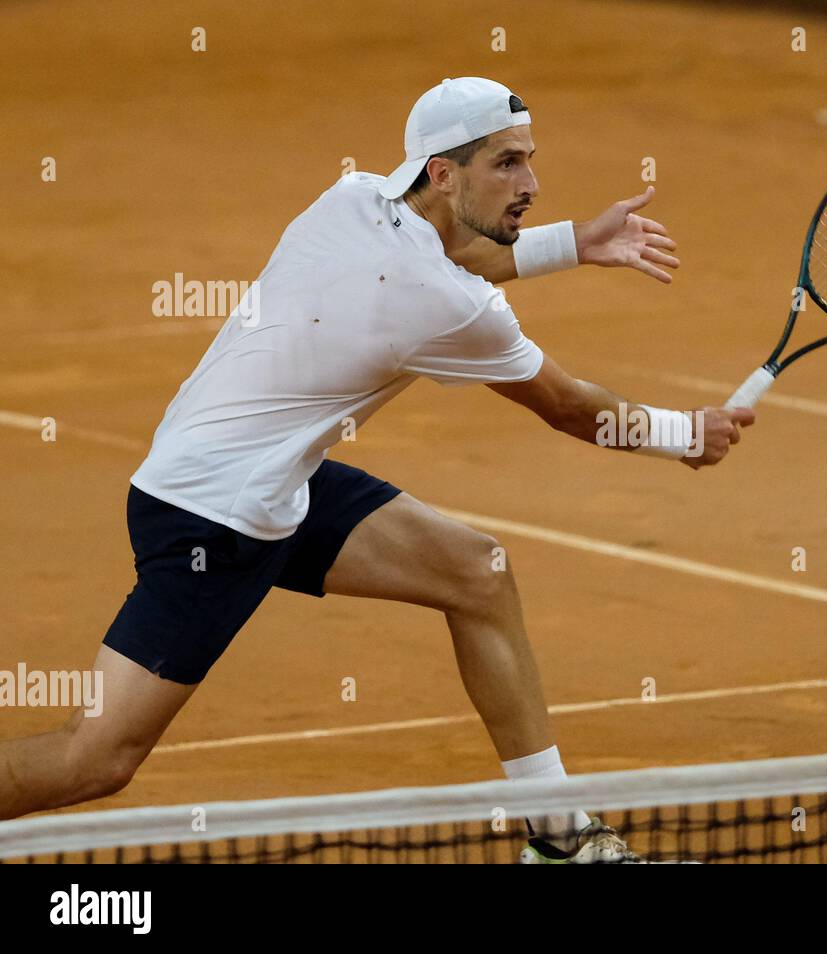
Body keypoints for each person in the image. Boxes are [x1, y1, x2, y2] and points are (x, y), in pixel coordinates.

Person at [0, 77, 755, 864]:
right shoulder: (445, 303)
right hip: (214, 516)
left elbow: (457, 248)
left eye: (530, 160)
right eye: (506, 164)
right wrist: (684, 434)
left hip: (260, 473)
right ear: (442, 173)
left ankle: (559, 841)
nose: (530, 182)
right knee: (96, 761)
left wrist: (576, 242)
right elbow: (569, 407)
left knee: (477, 573)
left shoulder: (356, 197)